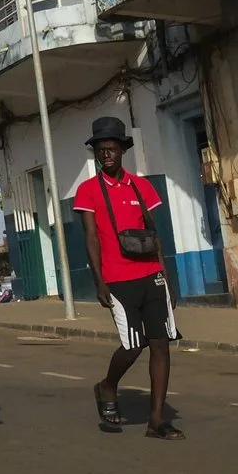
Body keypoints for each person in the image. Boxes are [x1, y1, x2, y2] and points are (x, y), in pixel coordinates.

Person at [69, 116, 184, 440]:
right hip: (117, 279)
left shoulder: (141, 186)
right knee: (133, 345)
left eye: (111, 149)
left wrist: (166, 276)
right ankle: (108, 386)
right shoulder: (88, 191)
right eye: (100, 150)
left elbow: (154, 234)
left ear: (122, 150)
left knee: (161, 344)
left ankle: (156, 421)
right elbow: (91, 238)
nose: (106, 155)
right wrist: (99, 282)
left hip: (151, 274)